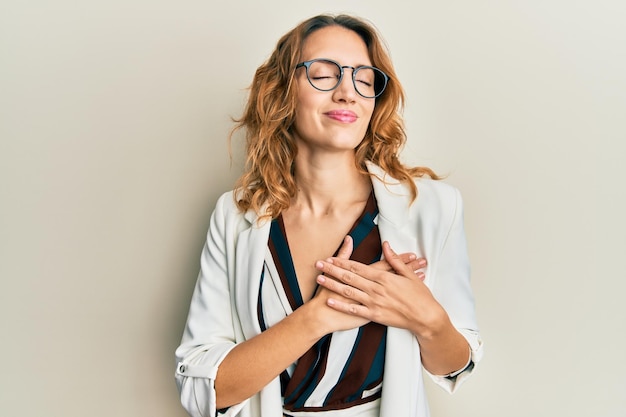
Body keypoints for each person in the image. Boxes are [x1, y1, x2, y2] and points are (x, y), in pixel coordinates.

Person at [175, 13, 483, 417]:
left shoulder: (431, 207)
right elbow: (205, 391)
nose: (347, 93)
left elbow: (454, 365)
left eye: (364, 79)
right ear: (282, 91)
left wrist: (428, 319)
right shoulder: (235, 217)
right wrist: (317, 317)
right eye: (323, 74)